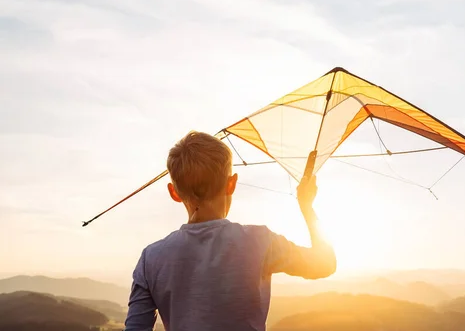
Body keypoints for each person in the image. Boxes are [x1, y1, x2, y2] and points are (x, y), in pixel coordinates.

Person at [124, 131, 336, 331]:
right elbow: (325, 263)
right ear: (232, 183)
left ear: (174, 192)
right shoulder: (260, 241)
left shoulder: (150, 259)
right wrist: (307, 206)